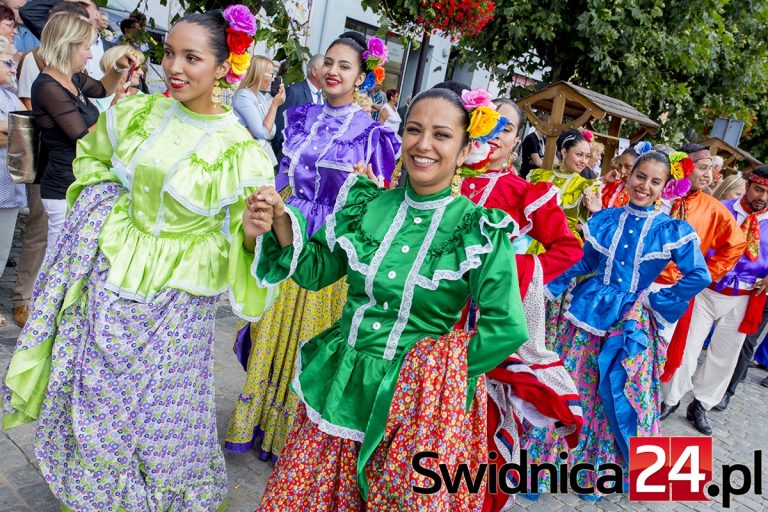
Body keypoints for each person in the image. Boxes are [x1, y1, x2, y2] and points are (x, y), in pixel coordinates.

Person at [3, 6, 276, 509]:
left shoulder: (241, 149)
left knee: (162, 410)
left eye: (192, 57)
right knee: (98, 391)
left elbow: (250, 244)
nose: (174, 67)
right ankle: (96, 495)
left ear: (222, 67)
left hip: (180, 295)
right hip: (114, 275)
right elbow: (93, 161)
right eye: (169, 52)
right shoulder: (137, 113)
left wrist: (257, 231)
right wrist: (106, 214)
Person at [252, 83, 528, 511]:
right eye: (414, 130)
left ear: (465, 149)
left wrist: (435, 374)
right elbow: (316, 270)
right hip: (342, 387)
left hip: (418, 408)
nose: (423, 144)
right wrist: (281, 223)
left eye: (441, 134)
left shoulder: (479, 229)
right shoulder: (366, 205)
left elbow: (506, 328)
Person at [224, 32, 400, 461]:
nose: (333, 72)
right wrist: (268, 201)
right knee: (273, 325)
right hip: (289, 225)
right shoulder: (301, 116)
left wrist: (367, 186)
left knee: (312, 333)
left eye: (345, 66)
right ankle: (260, 417)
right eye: (329, 64)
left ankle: (294, 433)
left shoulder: (374, 134)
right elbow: (284, 172)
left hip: (330, 242)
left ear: (363, 76)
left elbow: (375, 201)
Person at [524, 148, 711, 498]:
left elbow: (699, 275)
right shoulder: (605, 220)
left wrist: (657, 301)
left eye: (656, 181)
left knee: (616, 394)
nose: (645, 186)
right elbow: (584, 262)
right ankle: (542, 468)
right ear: (628, 176)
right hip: (588, 311)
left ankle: (596, 474)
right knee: (569, 385)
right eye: (640, 177)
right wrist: (548, 286)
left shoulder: (671, 230)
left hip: (630, 324)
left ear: (666, 187)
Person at [455, 94, 584, 512]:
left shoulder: (524, 193)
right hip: (429, 317)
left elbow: (568, 248)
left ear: (517, 141)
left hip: (481, 327)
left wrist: (512, 271)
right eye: (486, 122)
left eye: (506, 128)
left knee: (477, 418)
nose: (494, 135)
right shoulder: (443, 175)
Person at [662, 167, 768, 433]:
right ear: (747, 185)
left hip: (745, 296)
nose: (763, 197)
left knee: (725, 355)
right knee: (687, 346)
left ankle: (701, 405)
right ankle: (670, 398)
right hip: (706, 290)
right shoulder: (720, 209)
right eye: (759, 189)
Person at [659, 144, 747, 423]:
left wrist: (702, 274)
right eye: (703, 167)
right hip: (640, 286)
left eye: (710, 168)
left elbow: (736, 245)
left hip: (679, 291)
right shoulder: (657, 194)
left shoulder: (713, 208)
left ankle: (666, 400)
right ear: (682, 167)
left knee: (672, 348)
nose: (709, 175)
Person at [31, 13, 127, 249]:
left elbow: (104, 88)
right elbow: (85, 137)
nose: (90, 54)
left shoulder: (71, 77)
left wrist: (118, 66)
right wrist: (115, 112)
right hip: (63, 187)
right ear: (68, 46)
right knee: (58, 260)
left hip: (80, 181)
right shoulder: (47, 87)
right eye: (85, 48)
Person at [527, 128, 602, 246]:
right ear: (564, 152)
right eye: (579, 154)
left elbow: (593, 224)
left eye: (587, 156)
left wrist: (595, 212)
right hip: (531, 241)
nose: (584, 161)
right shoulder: (540, 177)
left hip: (564, 245)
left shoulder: (585, 186)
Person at [0, 36, 26, 327]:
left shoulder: (11, 96)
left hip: (9, 187)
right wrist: (13, 127)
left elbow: (25, 129)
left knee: (2, 250)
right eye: (7, 63)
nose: (12, 68)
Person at [20, 0, 114, 79]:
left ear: (97, 14)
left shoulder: (111, 48)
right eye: (75, 4)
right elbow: (28, 12)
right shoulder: (60, 36)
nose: (78, 7)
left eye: (84, 5)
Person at [232, 54, 285, 166]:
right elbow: (264, 133)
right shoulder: (244, 96)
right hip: (246, 159)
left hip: (258, 154)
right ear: (260, 74)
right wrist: (274, 105)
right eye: (271, 74)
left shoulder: (259, 96)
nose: (273, 79)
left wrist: (260, 130)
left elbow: (272, 131)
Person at [271, 53, 323, 166]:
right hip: (287, 161)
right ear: (315, 71)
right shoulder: (295, 92)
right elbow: (279, 126)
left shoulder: (322, 97)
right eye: (326, 69)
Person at [91, 44, 145, 112]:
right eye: (136, 68)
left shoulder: (142, 97)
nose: (141, 72)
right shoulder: (95, 97)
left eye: (141, 67)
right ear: (120, 66)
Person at [519, 111, 548, 179]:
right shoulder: (531, 138)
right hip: (527, 175)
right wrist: (548, 163)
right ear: (542, 124)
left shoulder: (544, 139)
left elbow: (555, 160)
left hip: (537, 175)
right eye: (548, 125)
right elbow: (538, 162)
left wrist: (541, 160)